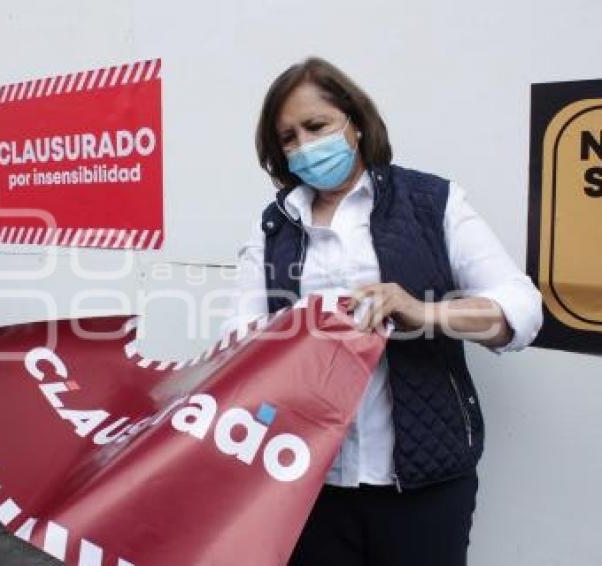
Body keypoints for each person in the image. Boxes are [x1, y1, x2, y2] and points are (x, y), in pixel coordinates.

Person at [225, 57, 542, 565]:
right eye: (288, 137)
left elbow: (520, 311)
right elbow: (239, 342)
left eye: (317, 125)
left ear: (354, 122)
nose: (305, 146)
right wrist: (292, 339)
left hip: (423, 485)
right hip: (308, 482)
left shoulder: (431, 202)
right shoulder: (274, 227)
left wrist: (422, 312)